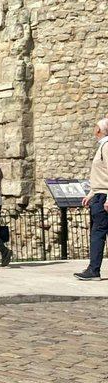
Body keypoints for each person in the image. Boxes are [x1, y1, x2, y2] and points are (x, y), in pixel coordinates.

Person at [74, 117, 108, 281]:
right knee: (99, 232)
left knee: (98, 233)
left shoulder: (106, 147)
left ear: (99, 130)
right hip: (99, 195)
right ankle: (93, 268)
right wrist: (91, 193)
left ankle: (94, 269)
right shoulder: (102, 147)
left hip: (104, 197)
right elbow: (101, 176)